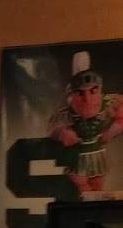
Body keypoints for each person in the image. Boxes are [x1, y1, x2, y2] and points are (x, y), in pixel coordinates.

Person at [48, 50, 123, 194]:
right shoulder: (67, 110)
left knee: (97, 183)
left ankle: (93, 201)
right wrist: (62, 133)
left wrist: (113, 130)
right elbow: (52, 127)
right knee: (80, 182)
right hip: (77, 154)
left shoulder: (108, 103)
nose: (87, 100)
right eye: (80, 93)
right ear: (72, 94)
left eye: (92, 91)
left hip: (98, 151)